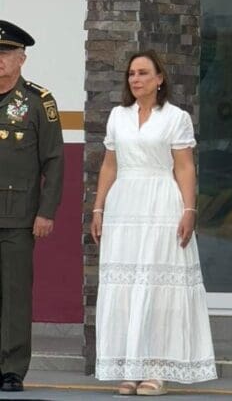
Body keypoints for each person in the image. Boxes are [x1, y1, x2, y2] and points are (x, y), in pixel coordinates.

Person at [90, 50, 217, 396]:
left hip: (162, 202)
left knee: (157, 287)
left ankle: (156, 369)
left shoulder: (176, 117)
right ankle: (130, 368)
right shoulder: (118, 116)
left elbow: (185, 167)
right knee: (128, 288)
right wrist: (98, 209)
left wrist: (189, 211)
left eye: (143, 73)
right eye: (132, 73)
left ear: (160, 78)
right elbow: (109, 166)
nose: (136, 79)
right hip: (124, 207)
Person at [0, 20, 64, 393]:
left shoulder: (39, 102)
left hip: (19, 216)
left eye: (7, 53)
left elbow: (54, 160)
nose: (0, 60)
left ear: (22, 58)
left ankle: (11, 368)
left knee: (15, 294)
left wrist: (47, 211)